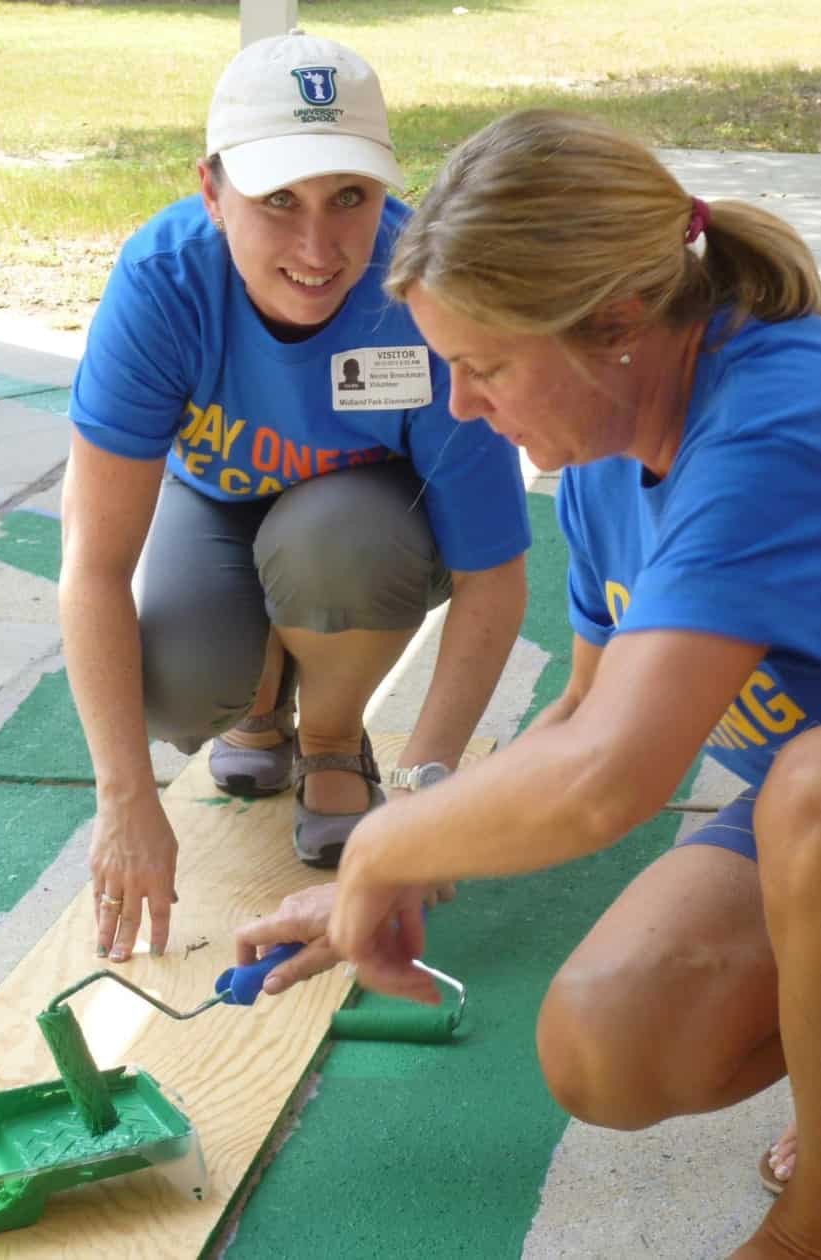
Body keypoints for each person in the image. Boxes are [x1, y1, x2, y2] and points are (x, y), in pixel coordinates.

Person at [236, 109, 821, 1259]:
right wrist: (421, 841)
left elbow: (612, 778)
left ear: (616, 323)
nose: (460, 407)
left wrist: (376, 851)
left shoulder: (777, 420)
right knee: (611, 1043)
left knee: (815, 793)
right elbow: (585, 718)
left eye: (485, 365)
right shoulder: (613, 442)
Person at [58, 32, 530, 966]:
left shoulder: (424, 293)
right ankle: (256, 705)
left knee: (336, 545)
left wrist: (425, 796)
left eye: (349, 198)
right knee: (178, 687)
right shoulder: (160, 283)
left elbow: (494, 578)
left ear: (388, 191)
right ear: (210, 190)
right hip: (220, 508)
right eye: (278, 201)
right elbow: (92, 567)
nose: (318, 248)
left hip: (355, 532)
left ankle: (328, 734)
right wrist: (125, 801)